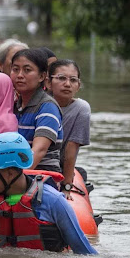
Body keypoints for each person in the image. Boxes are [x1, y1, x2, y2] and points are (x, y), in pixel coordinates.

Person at [10, 48, 63, 173]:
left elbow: (39, 150)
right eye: (15, 69)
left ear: (41, 76)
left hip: (42, 173)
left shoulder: (47, 107)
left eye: (27, 70)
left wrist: (13, 180)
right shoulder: (14, 105)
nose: (20, 75)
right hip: (16, 172)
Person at [47, 59, 90, 195]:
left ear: (78, 86)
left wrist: (66, 186)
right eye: (61, 78)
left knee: (82, 173)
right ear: (48, 82)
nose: (67, 84)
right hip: (35, 163)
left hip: (58, 166)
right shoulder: (39, 103)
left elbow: (71, 149)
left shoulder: (81, 109)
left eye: (73, 80)